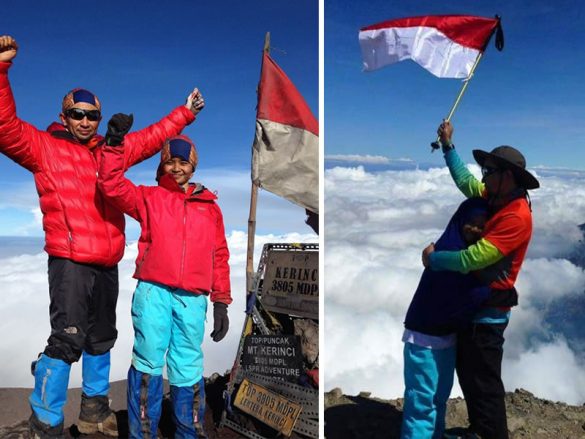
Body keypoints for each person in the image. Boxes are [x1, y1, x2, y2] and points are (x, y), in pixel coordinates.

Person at [0, 35, 205, 438]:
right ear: (64, 114)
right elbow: (4, 126)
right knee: (66, 341)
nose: (85, 121)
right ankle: (45, 423)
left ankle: (94, 414)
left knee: (100, 340)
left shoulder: (108, 150)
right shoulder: (42, 147)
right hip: (70, 261)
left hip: (107, 263)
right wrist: (1, 69)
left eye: (92, 115)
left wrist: (184, 114)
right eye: (77, 114)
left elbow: (148, 140)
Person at [97, 125, 231, 438]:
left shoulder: (210, 208)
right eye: (170, 161)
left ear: (193, 166)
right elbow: (111, 185)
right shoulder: (149, 197)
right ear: (162, 165)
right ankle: (142, 432)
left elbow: (219, 255)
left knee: (187, 364)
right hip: (153, 292)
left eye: (183, 162)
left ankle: (189, 430)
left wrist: (221, 301)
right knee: (148, 360)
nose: (176, 167)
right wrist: (115, 147)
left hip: (192, 299)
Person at [422, 120, 539, 439]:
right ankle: (480, 430)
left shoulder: (516, 216)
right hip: (476, 306)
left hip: (488, 314)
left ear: (508, 177)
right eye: (485, 169)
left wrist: (434, 259)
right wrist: (448, 146)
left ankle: (491, 433)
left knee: (484, 382)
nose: (483, 175)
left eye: (489, 170)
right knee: (472, 376)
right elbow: (466, 183)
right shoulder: (496, 199)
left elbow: (472, 259)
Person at [401, 197, 491, 439]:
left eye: (482, 226)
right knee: (422, 403)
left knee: (439, 397)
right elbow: (475, 293)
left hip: (444, 339)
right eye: (471, 222)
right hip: (423, 341)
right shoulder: (449, 254)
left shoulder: (453, 254)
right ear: (459, 220)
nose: (475, 229)